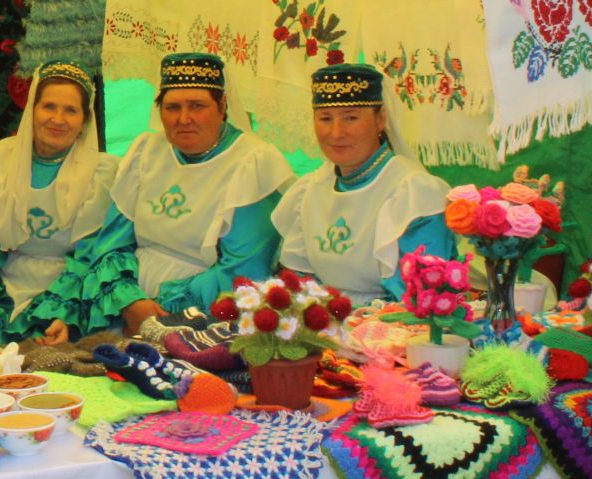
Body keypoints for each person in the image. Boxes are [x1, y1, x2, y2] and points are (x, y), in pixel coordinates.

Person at [60, 52, 294, 334]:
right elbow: (112, 243)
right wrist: (129, 300)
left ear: (222, 106)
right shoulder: (146, 152)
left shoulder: (253, 163)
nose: (184, 118)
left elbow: (242, 272)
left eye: (197, 106)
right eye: (172, 107)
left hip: (202, 313)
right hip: (126, 305)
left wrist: (159, 308)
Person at [0, 61, 118, 345]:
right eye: (49, 107)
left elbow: (93, 255)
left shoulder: (103, 173)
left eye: (70, 110)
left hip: (70, 291)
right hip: (4, 285)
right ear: (32, 110)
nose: (57, 119)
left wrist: (65, 314)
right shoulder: (1, 160)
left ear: (85, 120)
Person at [272, 63, 456, 303]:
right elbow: (298, 280)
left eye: (351, 118)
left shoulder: (413, 192)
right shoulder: (309, 190)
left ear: (380, 120)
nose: (336, 133)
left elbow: (422, 299)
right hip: (320, 323)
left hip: (389, 329)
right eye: (325, 118)